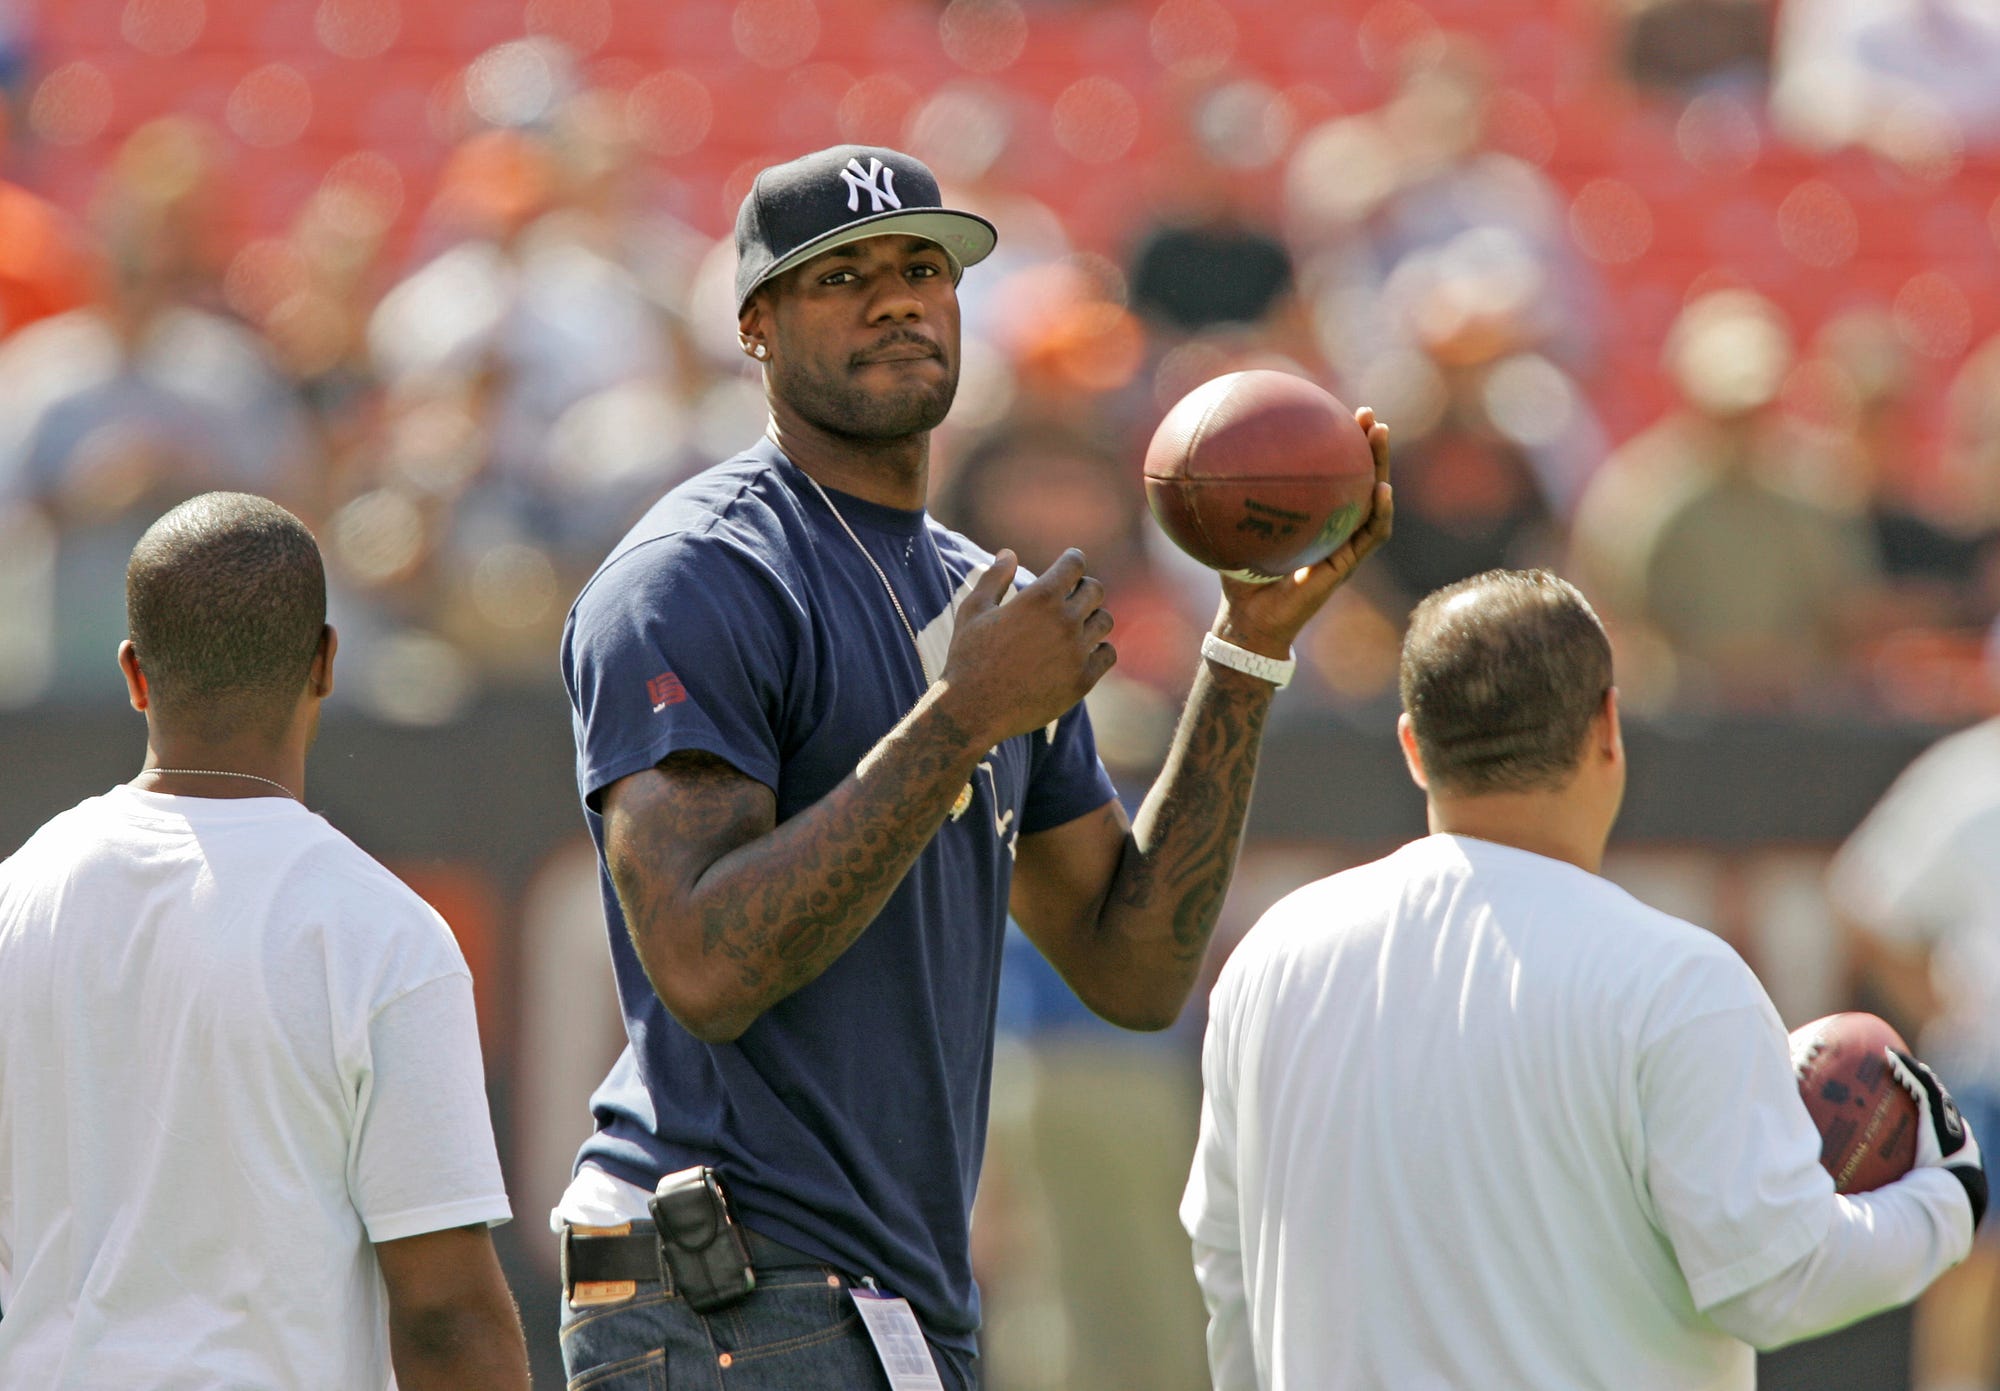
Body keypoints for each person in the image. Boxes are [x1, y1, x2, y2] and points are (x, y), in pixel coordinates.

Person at [552, 142, 1392, 1390]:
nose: (896, 298)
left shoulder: (968, 594)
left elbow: (1132, 963)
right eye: (842, 276)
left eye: (921, 268)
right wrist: (956, 720)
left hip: (888, 1295)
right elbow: (703, 963)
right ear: (756, 326)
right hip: (725, 1288)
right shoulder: (700, 574)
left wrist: (1243, 649)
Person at [1181, 568, 1985, 1391]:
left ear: (1414, 747)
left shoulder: (1270, 957)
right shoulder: (1676, 978)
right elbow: (1776, 1280)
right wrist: (1946, 1192)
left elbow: (1229, 1264)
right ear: (1609, 726)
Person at [0, 492, 529, 1389]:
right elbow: (445, 1313)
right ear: (325, 661)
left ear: (133, 672)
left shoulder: (17, 898)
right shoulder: (384, 935)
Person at [1831, 716, 2000, 1391]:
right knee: (1973, 1258)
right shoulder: (1970, 775)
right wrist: (1940, 1015)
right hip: (1989, 1065)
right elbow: (1863, 898)